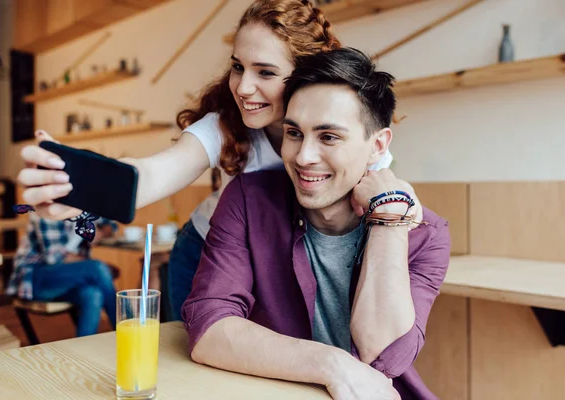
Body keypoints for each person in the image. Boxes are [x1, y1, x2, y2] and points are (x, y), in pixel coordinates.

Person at [16, 0, 393, 320]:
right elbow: (154, 173)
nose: (243, 87)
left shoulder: (350, 138)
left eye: (265, 72)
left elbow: (381, 194)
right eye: (238, 66)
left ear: (305, 76)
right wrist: (82, 187)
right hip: (204, 251)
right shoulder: (225, 126)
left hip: (281, 264)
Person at [182, 47, 451, 400]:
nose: (304, 157)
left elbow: (384, 354)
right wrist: (330, 364)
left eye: (328, 137)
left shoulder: (425, 233)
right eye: (294, 133)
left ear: (378, 145)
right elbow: (209, 327)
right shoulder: (248, 200)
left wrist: (388, 221)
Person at [6, 214, 118, 337]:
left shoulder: (83, 206)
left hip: (67, 280)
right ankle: (127, 329)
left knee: (92, 293)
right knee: (98, 268)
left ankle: (83, 349)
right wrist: (93, 269)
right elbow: (55, 258)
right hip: (35, 279)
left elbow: (111, 225)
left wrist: (101, 232)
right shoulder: (47, 210)